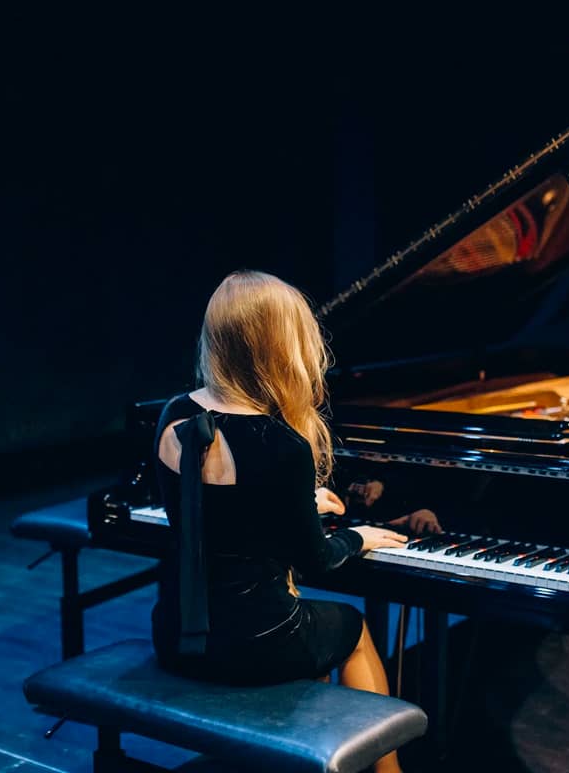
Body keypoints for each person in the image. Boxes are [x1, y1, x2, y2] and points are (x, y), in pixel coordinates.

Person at [151, 270, 410, 773]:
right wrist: (359, 537)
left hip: (177, 636)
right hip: (256, 646)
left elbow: (214, 507)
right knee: (352, 629)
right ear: (282, 345)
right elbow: (318, 563)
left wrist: (294, 504)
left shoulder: (173, 416)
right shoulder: (283, 445)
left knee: (309, 634)